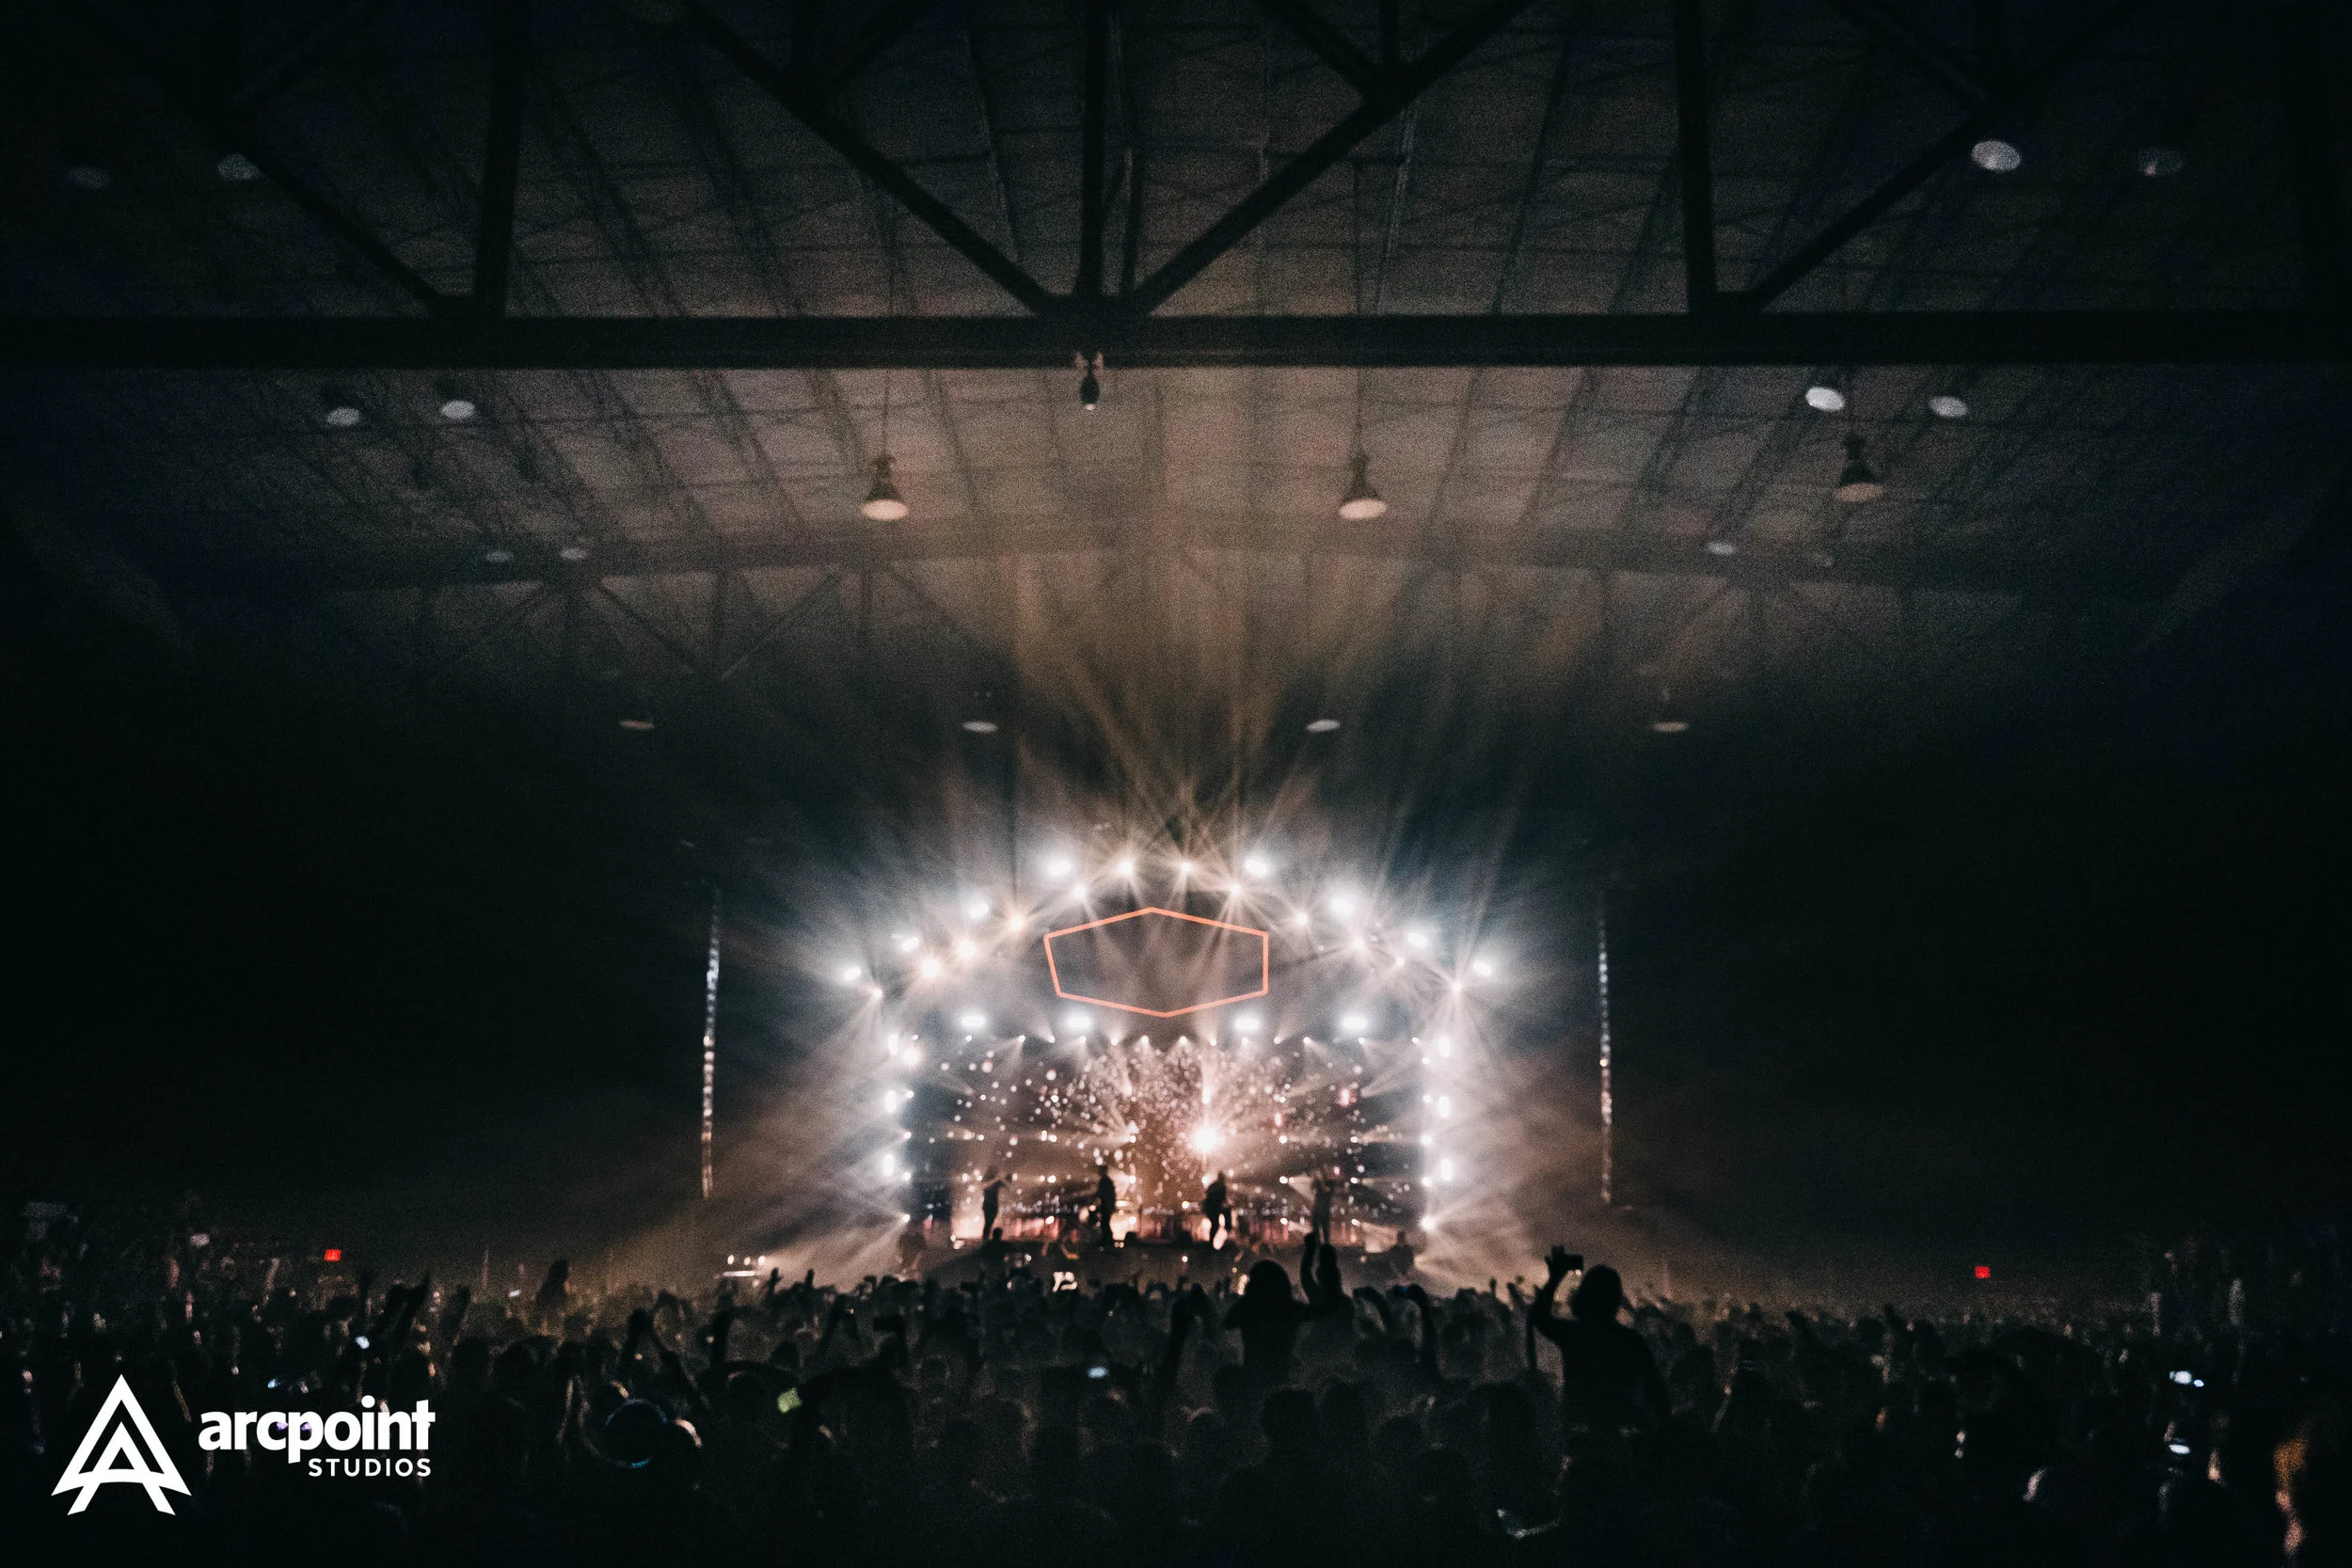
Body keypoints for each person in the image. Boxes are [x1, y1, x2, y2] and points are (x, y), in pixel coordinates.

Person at [1529, 1246, 1670, 1432]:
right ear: (1616, 1299)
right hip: (1620, 1434)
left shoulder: (1575, 1334)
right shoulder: (1629, 1339)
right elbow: (1656, 1391)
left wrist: (1555, 1277)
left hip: (1581, 1433)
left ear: (1584, 1296)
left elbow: (1539, 1317)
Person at [1091, 1163, 1118, 1246]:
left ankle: (1108, 1240)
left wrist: (1093, 1198)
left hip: (1107, 1206)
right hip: (1107, 1206)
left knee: (1104, 1223)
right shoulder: (1107, 1180)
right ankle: (1107, 1240)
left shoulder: (1104, 1181)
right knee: (1105, 1223)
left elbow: (1100, 1193)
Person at [1201, 1171, 1231, 1248]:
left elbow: (1207, 1194)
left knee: (1215, 1225)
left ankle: (1210, 1243)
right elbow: (1224, 1199)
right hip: (1213, 1207)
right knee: (1215, 1225)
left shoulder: (1213, 1185)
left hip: (1210, 1207)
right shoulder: (1221, 1186)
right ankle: (1211, 1243)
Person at [1311, 1172, 1335, 1243]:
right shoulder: (1317, 1183)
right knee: (1316, 1225)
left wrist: (1319, 1181)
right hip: (1318, 1207)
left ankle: (1325, 1242)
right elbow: (1312, 1188)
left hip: (1324, 1208)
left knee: (1325, 1227)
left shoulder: (1330, 1183)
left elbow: (1326, 1190)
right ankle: (1318, 1241)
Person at [980, 1169, 1003, 1241]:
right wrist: (996, 1179)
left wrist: (1002, 1178)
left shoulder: (997, 1182)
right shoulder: (987, 1181)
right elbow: (985, 1186)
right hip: (988, 1204)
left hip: (994, 1204)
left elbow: (1008, 1186)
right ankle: (985, 1238)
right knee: (988, 1222)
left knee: (990, 1223)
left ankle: (986, 1238)